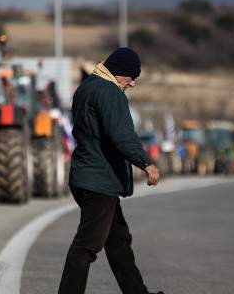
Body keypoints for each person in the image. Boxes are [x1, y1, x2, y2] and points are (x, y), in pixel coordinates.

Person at [59, 48, 163, 294]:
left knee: (118, 243)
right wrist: (145, 162)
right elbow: (122, 134)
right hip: (99, 181)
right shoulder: (110, 93)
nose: (133, 83)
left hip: (87, 176)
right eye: (132, 76)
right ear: (120, 73)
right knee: (86, 246)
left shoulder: (87, 87)